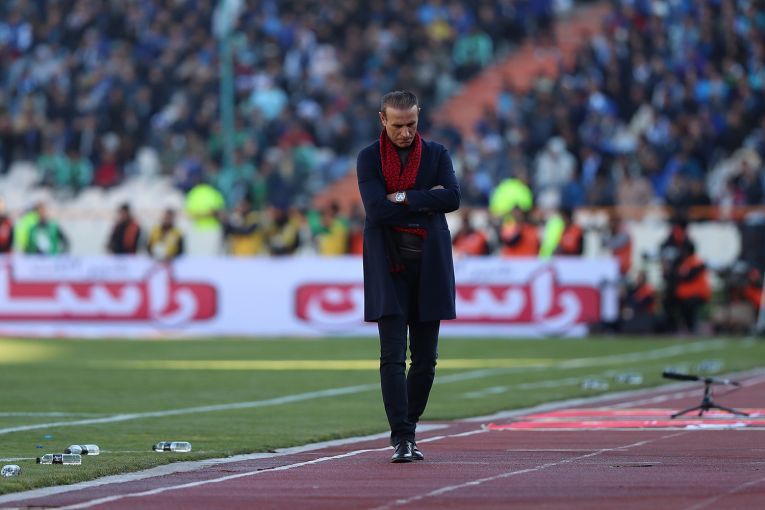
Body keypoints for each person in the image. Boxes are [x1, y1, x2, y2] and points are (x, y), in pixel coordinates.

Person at [356, 90, 460, 463]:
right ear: (382, 120)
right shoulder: (369, 157)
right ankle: (401, 436)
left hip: (429, 265)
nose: (405, 133)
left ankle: (409, 427)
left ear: (419, 118)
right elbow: (375, 210)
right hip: (388, 266)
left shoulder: (437, 154)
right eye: (398, 125)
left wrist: (400, 197)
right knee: (392, 356)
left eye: (411, 124)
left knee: (426, 359)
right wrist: (423, 199)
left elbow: (452, 198)